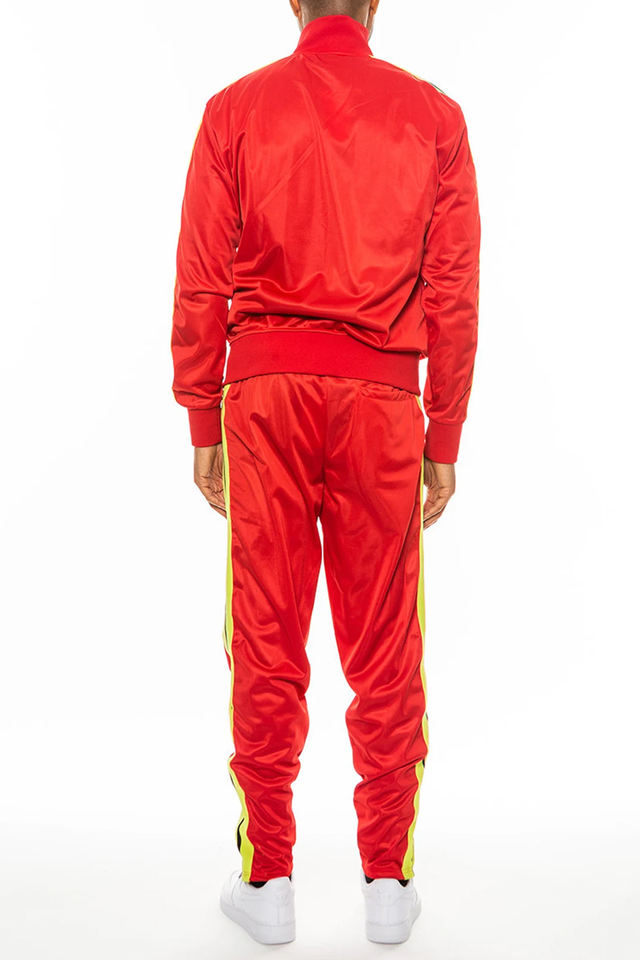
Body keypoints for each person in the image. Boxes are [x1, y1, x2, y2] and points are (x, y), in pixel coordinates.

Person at [170, 0, 480, 945]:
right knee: (385, 642)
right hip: (382, 405)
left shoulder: (234, 110)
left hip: (265, 398)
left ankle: (267, 881)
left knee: (265, 632)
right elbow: (454, 289)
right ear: (376, 4)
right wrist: (443, 436)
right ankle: (387, 882)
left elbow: (200, 273)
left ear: (292, 2)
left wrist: (201, 410)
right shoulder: (435, 118)